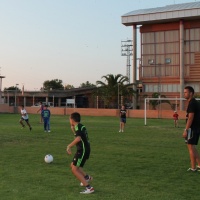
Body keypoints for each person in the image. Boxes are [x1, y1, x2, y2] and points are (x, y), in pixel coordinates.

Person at [66, 112, 94, 194]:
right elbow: (80, 136)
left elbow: (78, 139)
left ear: (72, 120)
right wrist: (73, 130)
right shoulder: (81, 126)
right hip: (84, 149)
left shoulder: (78, 126)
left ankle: (89, 188)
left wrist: (69, 146)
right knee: (73, 165)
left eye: (69, 118)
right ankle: (86, 177)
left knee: (74, 169)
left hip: (83, 150)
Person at [183, 86, 200, 172]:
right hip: (195, 128)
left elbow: (190, 117)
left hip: (192, 129)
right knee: (192, 147)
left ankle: (196, 167)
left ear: (191, 93)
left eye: (186, 92)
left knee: (190, 147)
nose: (184, 94)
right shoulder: (194, 102)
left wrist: (186, 130)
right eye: (184, 92)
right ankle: (196, 166)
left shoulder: (192, 103)